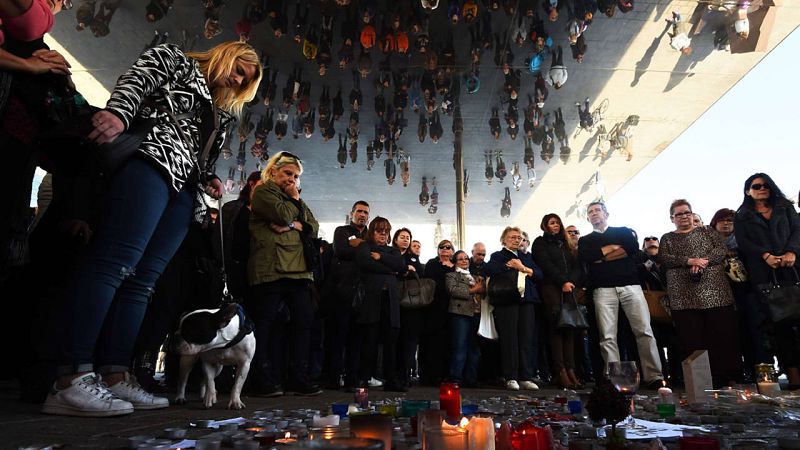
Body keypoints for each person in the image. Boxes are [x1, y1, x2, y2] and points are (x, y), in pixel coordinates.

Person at [42, 41, 262, 417]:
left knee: (144, 281)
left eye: (244, 79)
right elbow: (138, 80)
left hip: (184, 188)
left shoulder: (220, 114)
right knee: (114, 263)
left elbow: (199, 152)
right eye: (238, 68)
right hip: (150, 160)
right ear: (224, 54)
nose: (237, 78)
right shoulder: (175, 58)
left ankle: (115, 374)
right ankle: (71, 377)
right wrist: (120, 114)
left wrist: (207, 177)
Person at [248, 151, 321, 397]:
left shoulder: (296, 198)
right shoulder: (263, 191)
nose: (292, 179)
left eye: (296, 176)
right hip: (270, 270)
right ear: (273, 172)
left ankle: (298, 377)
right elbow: (282, 214)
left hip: (299, 272)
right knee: (265, 326)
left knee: (303, 323)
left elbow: (314, 226)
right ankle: (261, 378)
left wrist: (293, 223)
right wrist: (294, 214)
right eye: (288, 173)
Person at [577, 201, 665, 389]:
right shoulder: (585, 240)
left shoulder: (623, 231)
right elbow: (587, 256)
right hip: (603, 290)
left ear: (606, 214)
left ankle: (654, 376)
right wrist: (614, 250)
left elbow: (630, 248)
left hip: (631, 286)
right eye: (590, 212)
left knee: (644, 331)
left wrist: (602, 257)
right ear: (587, 217)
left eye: (597, 210)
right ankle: (615, 379)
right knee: (607, 336)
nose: (594, 214)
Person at [657, 199, 741, 387]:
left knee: (722, 335)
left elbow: (720, 250)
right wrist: (689, 261)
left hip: (716, 292)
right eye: (679, 214)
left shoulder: (707, 232)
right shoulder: (667, 238)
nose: (684, 216)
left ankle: (727, 377)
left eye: (687, 212)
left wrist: (703, 261)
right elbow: (664, 257)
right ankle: (699, 380)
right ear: (672, 218)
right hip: (683, 296)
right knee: (691, 338)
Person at [734, 173, 800, 389]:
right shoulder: (742, 215)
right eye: (756, 186)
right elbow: (744, 242)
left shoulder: (785, 207)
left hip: (794, 270)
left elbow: (798, 230)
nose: (762, 188)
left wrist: (792, 252)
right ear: (748, 191)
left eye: (765, 185)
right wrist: (765, 255)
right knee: (780, 326)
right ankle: (793, 377)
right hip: (764, 275)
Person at [711, 207, 769, 381]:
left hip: (747, 291)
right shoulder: (709, 244)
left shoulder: (744, 241)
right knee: (731, 332)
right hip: (721, 292)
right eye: (722, 220)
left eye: (730, 220)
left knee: (754, 329)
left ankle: (759, 370)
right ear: (715, 223)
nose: (726, 223)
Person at [486, 226, 543, 391]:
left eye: (519, 238)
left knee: (526, 338)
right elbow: (490, 269)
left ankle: (526, 376)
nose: (517, 240)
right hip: (507, 301)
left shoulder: (527, 256)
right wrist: (509, 266)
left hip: (527, 301)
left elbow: (539, 275)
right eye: (512, 237)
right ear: (504, 240)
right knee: (509, 339)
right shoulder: (498, 256)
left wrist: (523, 267)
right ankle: (510, 376)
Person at [531, 214, 584, 389]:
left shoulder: (567, 243)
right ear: (545, 225)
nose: (555, 226)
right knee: (556, 328)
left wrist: (571, 282)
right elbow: (545, 264)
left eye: (557, 222)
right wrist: (562, 281)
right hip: (551, 288)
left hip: (570, 288)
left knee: (569, 329)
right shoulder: (540, 242)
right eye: (551, 223)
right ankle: (560, 371)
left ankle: (571, 370)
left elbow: (577, 265)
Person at [355, 217, 407, 391]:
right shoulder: (365, 247)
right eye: (379, 231)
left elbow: (401, 265)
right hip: (371, 299)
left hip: (390, 301)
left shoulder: (392, 251)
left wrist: (380, 257)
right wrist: (389, 269)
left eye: (386, 231)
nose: (383, 234)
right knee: (368, 341)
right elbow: (364, 263)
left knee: (391, 343)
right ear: (372, 232)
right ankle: (363, 378)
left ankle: (391, 380)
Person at [327, 201, 370, 391]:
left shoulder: (370, 235)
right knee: (338, 338)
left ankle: (353, 380)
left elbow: (373, 254)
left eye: (365, 212)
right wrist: (364, 248)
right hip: (341, 293)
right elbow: (341, 250)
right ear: (352, 213)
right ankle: (332, 379)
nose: (362, 215)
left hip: (363, 295)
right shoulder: (341, 231)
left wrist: (358, 245)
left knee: (356, 340)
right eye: (359, 211)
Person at [446, 250, 485, 387]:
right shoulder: (451, 275)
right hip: (460, 314)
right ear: (455, 262)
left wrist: (482, 289)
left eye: (466, 258)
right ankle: (456, 378)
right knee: (460, 346)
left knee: (474, 348)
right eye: (461, 259)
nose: (464, 261)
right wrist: (474, 290)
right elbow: (453, 291)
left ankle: (471, 379)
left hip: (476, 313)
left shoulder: (475, 276)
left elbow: (484, 292)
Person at [420, 239, 455, 385]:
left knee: (448, 342)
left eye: (449, 247)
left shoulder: (456, 266)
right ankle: (429, 376)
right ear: (438, 250)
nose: (445, 249)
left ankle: (445, 374)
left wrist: (452, 268)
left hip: (451, 309)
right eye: (442, 247)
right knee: (432, 343)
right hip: (433, 308)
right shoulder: (432, 263)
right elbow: (431, 282)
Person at [394, 227, 424, 387]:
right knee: (394, 341)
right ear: (396, 239)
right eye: (402, 237)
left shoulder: (413, 258)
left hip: (410, 305)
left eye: (408, 237)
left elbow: (419, 273)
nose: (405, 240)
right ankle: (392, 375)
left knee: (409, 341)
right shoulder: (390, 254)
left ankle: (405, 374)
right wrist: (403, 270)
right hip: (393, 302)